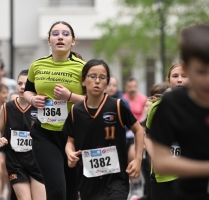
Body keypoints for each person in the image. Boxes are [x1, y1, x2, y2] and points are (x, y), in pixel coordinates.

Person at [64, 59, 144, 200]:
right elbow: (70, 141)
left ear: (107, 83)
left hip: (115, 179)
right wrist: (70, 153)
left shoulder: (117, 106)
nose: (97, 81)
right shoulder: (75, 111)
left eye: (102, 78)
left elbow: (138, 130)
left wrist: (137, 159)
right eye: (92, 76)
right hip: (87, 179)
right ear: (83, 81)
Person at [23, 21, 86, 200]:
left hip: (74, 136)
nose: (60, 37)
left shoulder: (82, 67)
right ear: (48, 41)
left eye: (65, 34)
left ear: (73, 41)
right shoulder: (37, 65)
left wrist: (70, 96)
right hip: (45, 134)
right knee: (57, 191)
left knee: (72, 192)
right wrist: (32, 99)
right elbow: (28, 90)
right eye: (55, 33)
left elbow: (95, 101)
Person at [149, 24, 209, 200]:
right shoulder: (172, 104)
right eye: (201, 72)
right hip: (190, 193)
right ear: (186, 69)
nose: (207, 80)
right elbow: (161, 162)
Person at [0, 69, 46, 200]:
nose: (23, 87)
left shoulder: (40, 107)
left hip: (37, 160)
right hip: (15, 161)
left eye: (26, 84)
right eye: (20, 83)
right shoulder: (7, 107)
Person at [145, 62, 188, 200]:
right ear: (168, 80)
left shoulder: (199, 107)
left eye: (184, 76)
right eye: (175, 76)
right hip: (163, 176)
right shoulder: (156, 108)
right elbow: (148, 136)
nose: (180, 79)